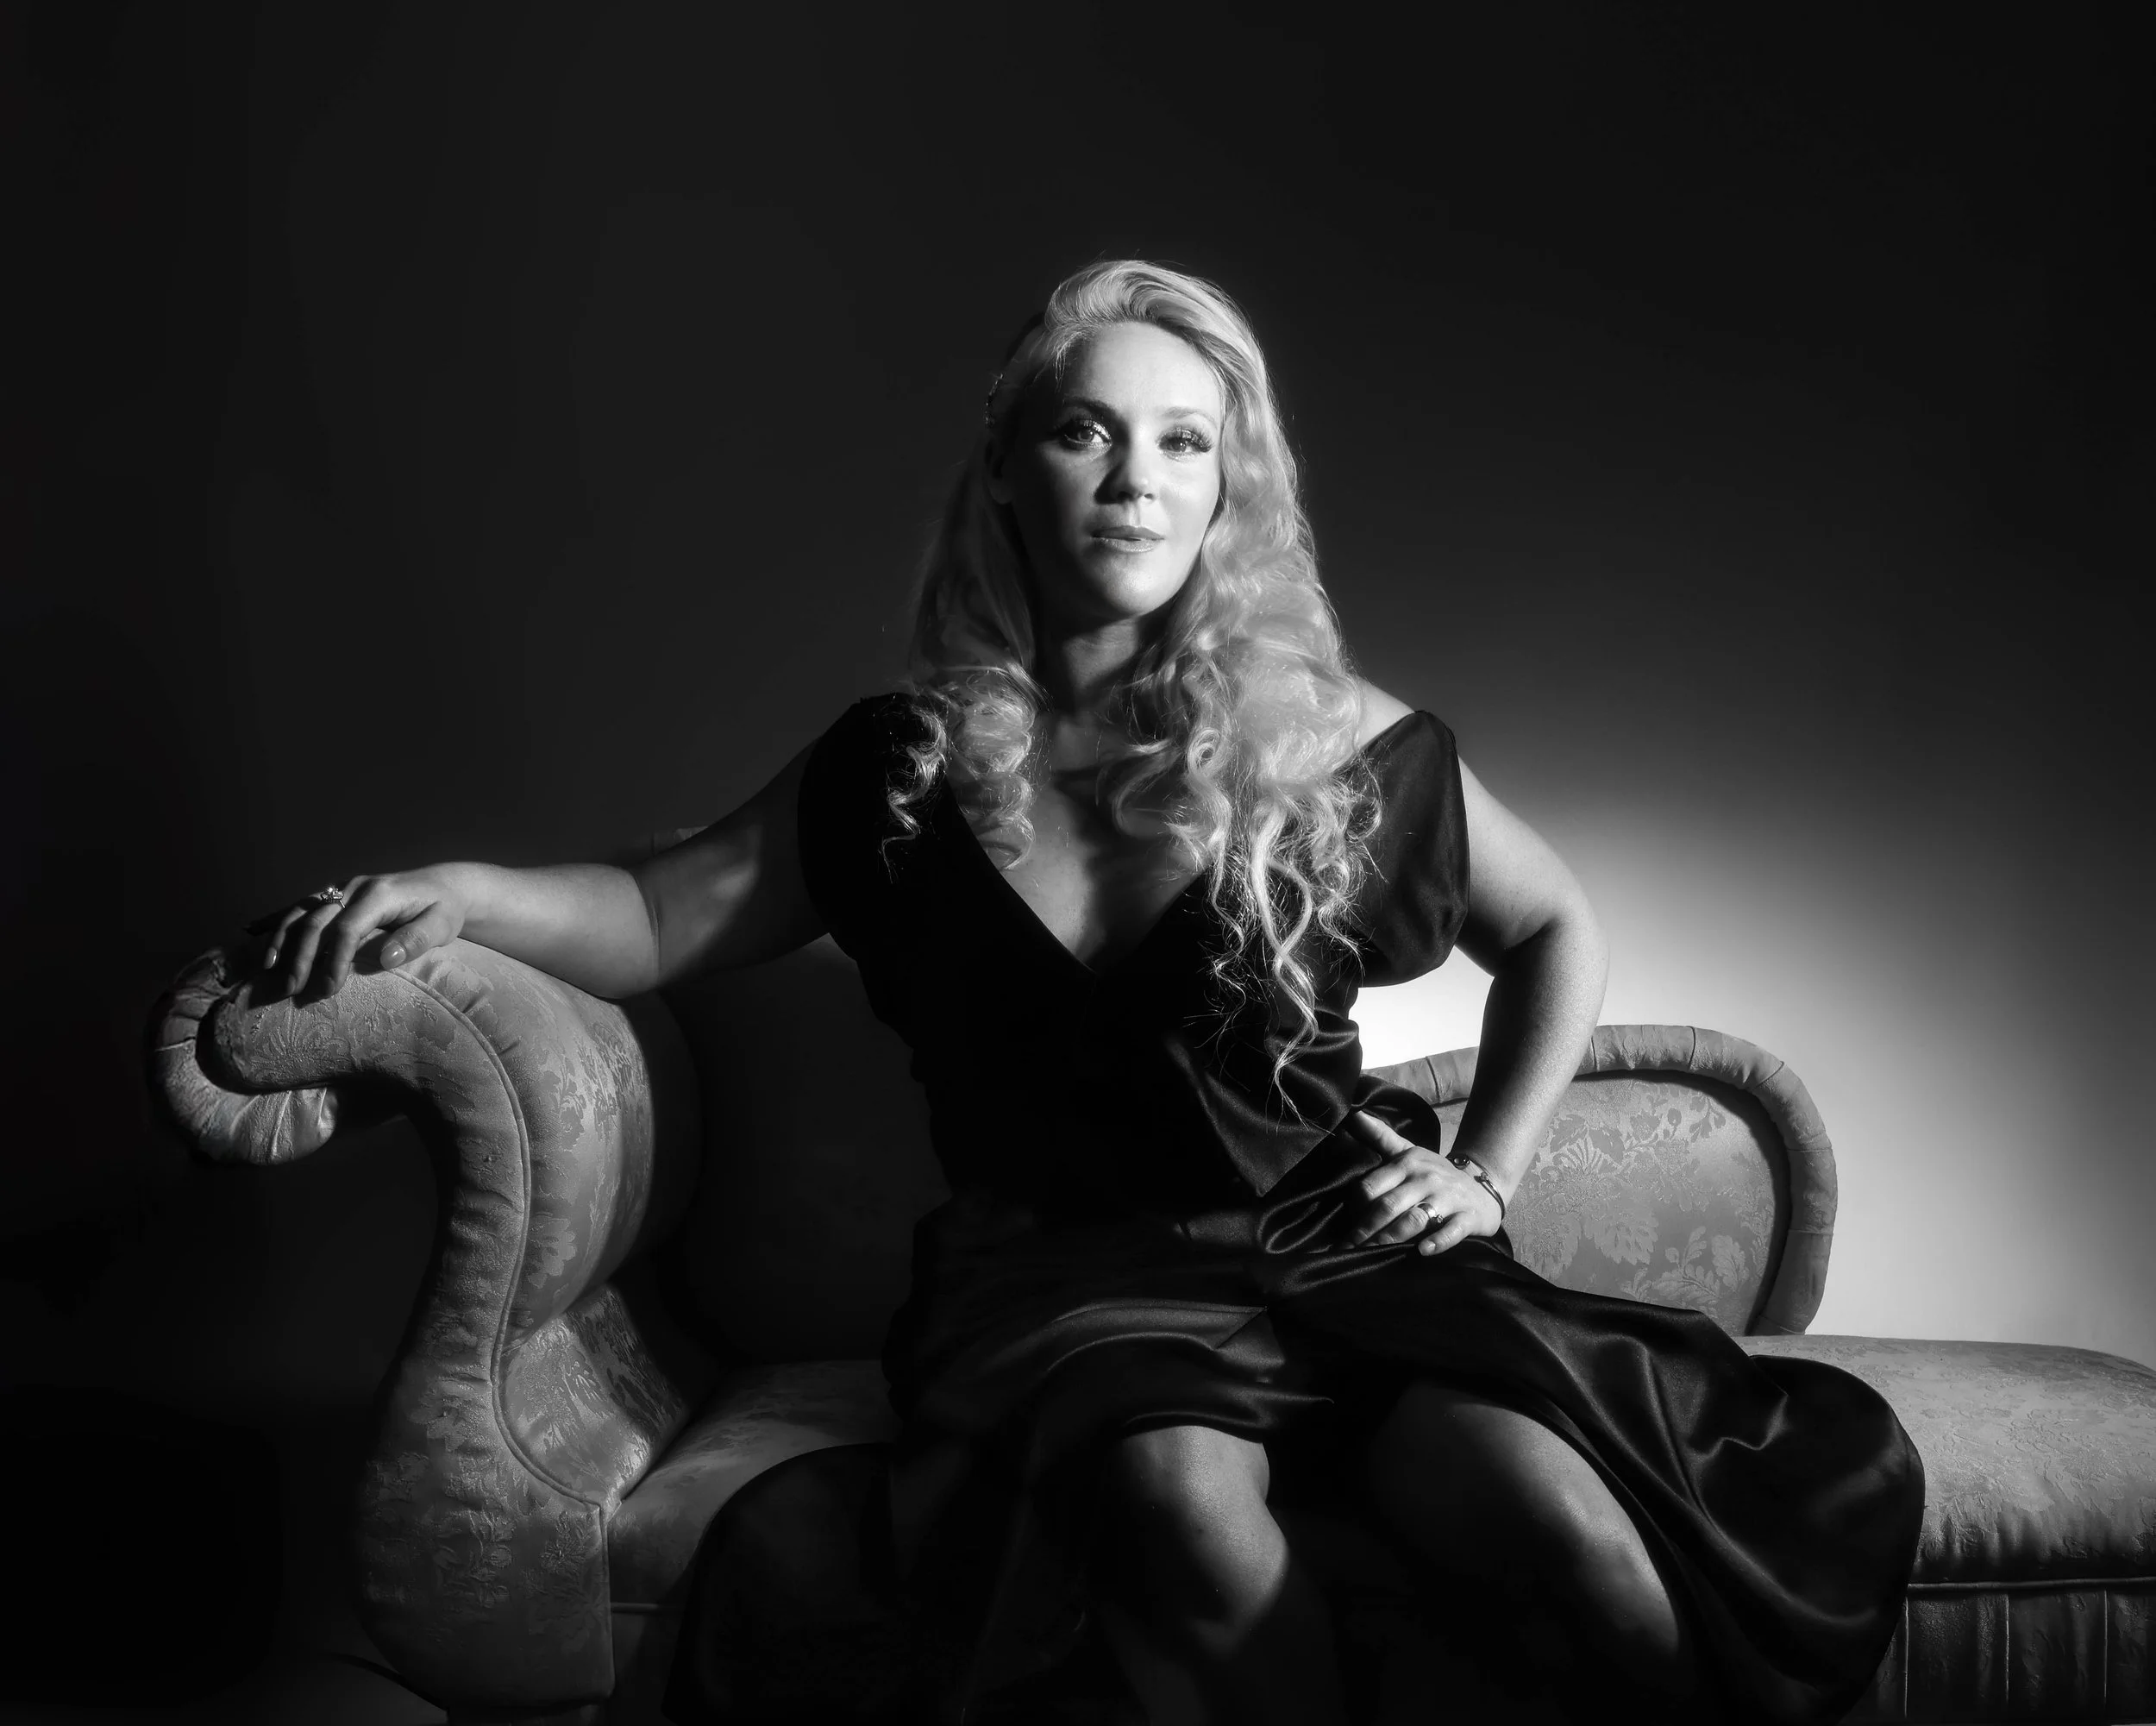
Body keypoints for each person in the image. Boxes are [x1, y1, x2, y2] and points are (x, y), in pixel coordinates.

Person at [260, 261, 1922, 1725]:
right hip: (1065, 1284)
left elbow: (1559, 926)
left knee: (1548, 1509)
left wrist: (1481, 1168)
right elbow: (656, 906)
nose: (1137, 477)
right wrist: (467, 891)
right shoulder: (896, 773)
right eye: (1087, 431)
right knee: (1177, 1500)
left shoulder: (1331, 739)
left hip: (1340, 1247)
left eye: (1185, 442)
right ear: (1005, 474)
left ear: (1228, 498)